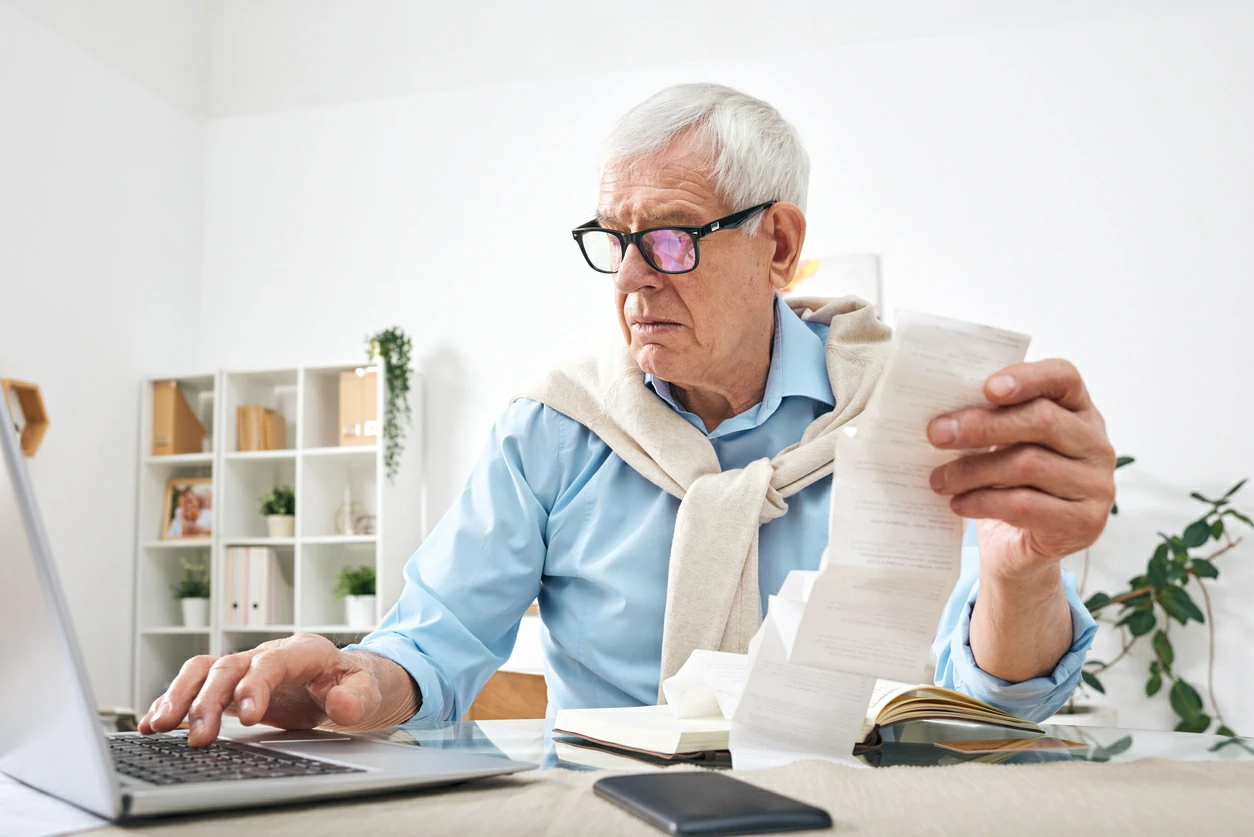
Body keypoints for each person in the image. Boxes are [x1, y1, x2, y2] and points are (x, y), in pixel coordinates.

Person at [141, 84, 1112, 747]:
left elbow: (981, 708)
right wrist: (358, 682)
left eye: (672, 239)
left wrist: (1020, 578)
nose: (633, 280)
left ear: (778, 244)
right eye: (616, 241)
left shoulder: (916, 416)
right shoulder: (552, 430)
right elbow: (435, 641)